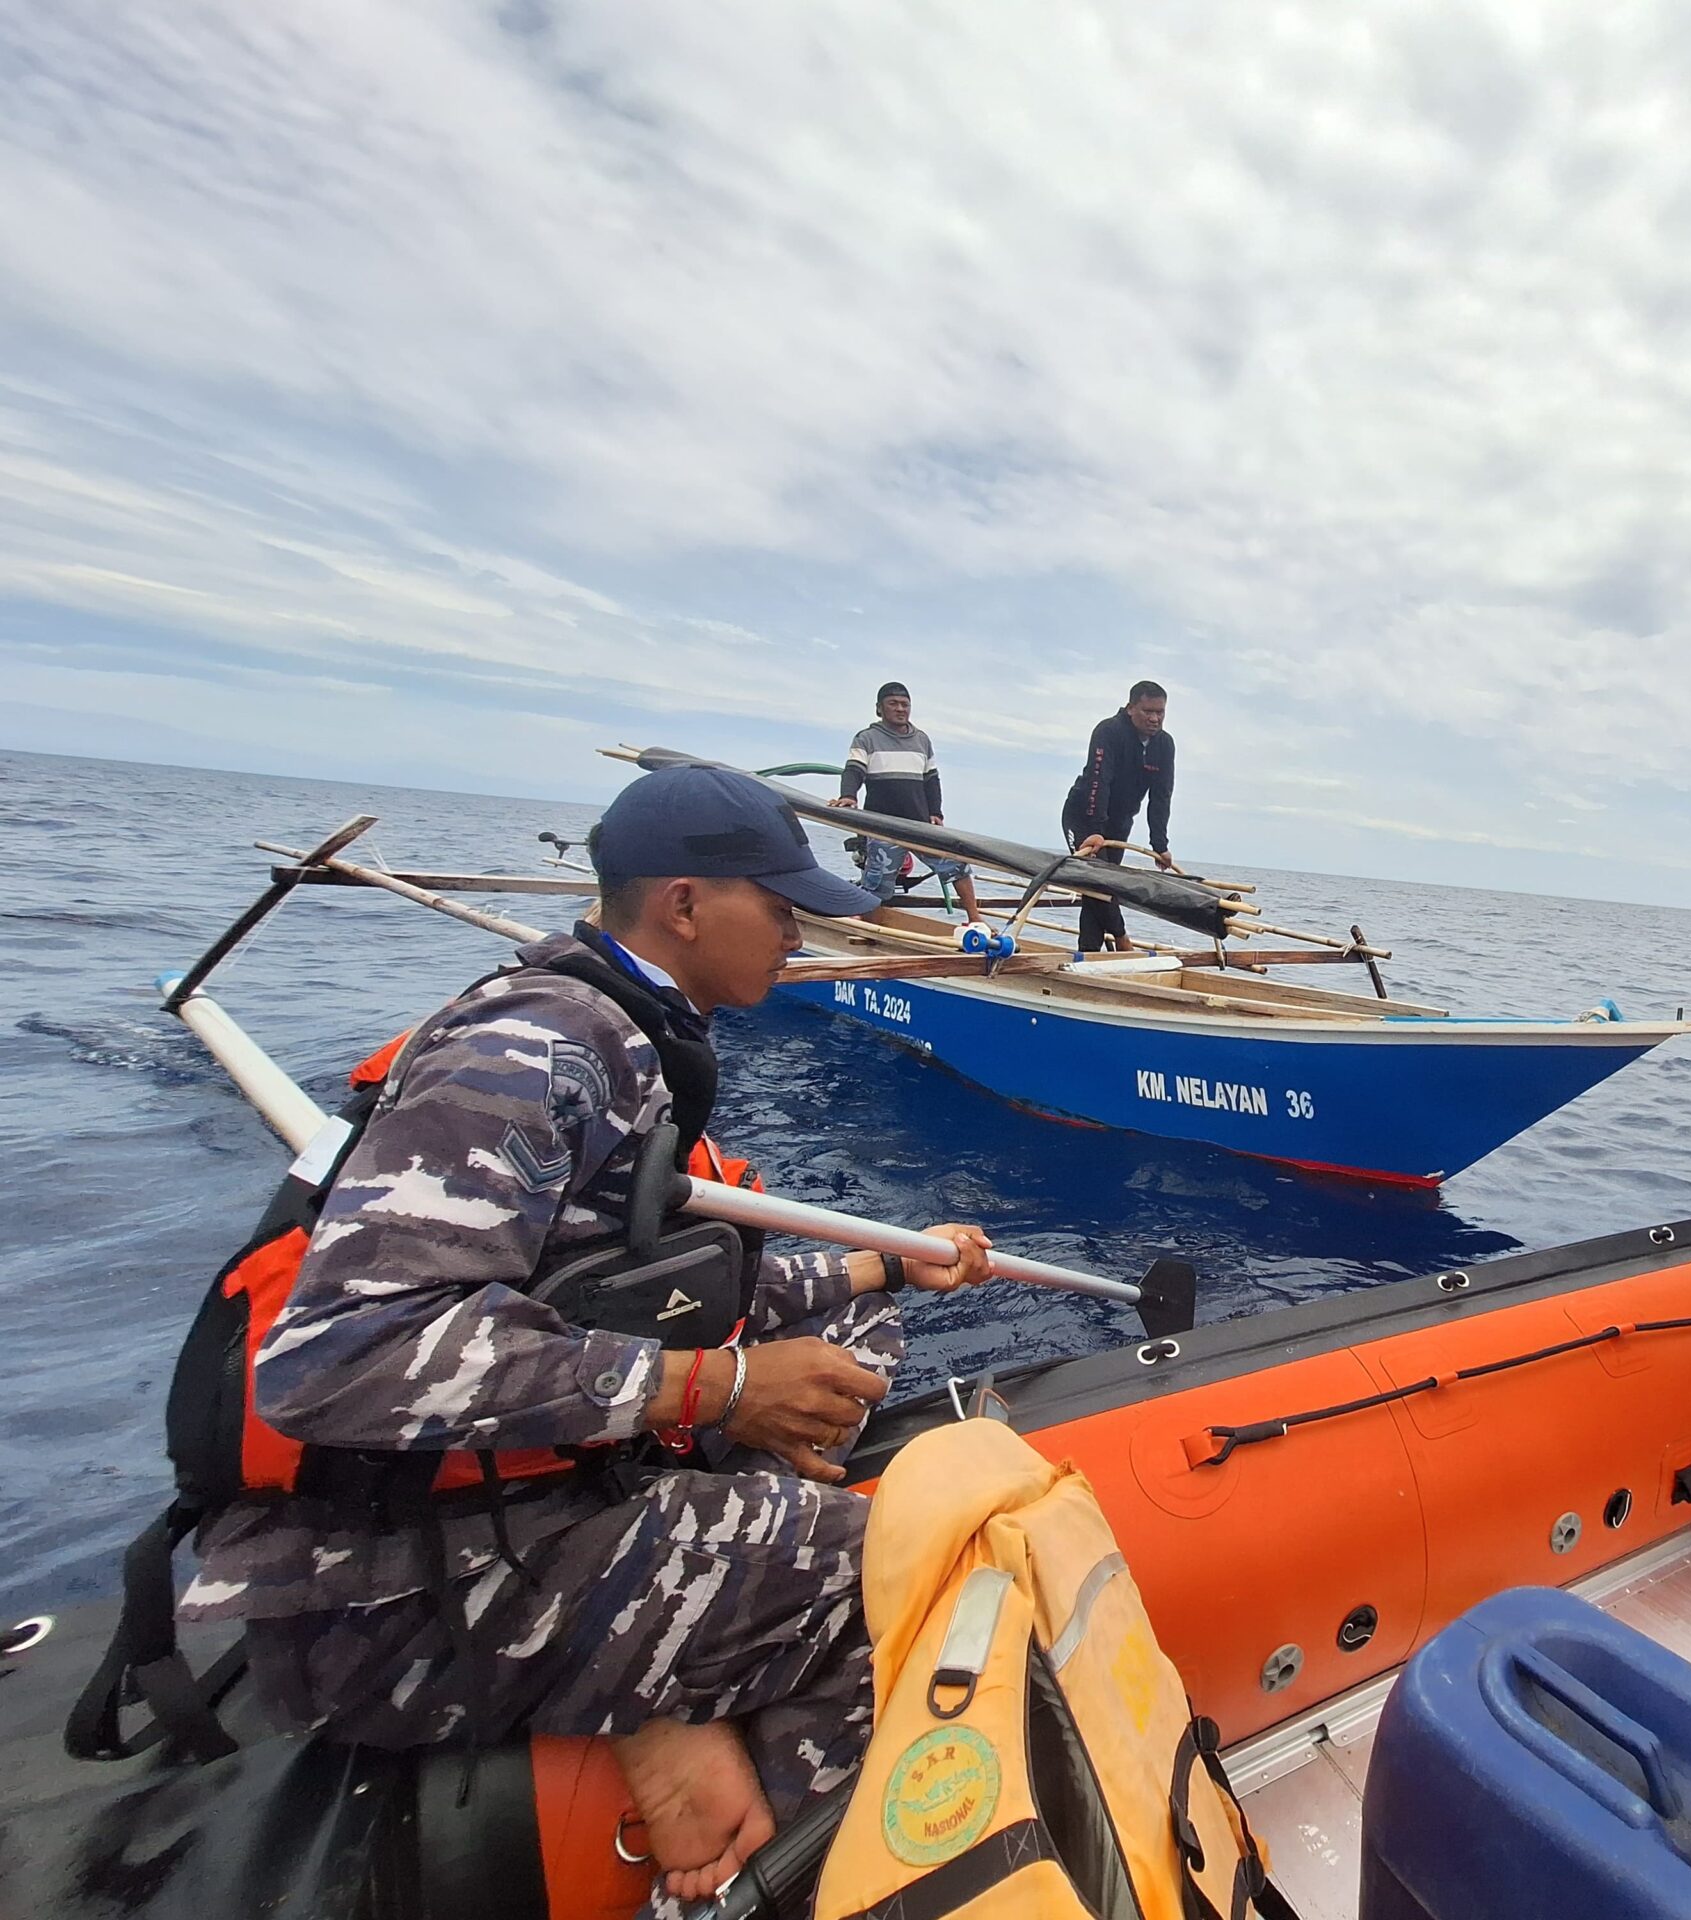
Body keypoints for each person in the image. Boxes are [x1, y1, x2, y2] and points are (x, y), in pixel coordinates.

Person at [179, 764, 997, 1912]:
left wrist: (878, 1264)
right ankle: (728, 1875)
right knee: (929, 1570)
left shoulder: (619, 1033)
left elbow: (633, 1290)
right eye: (779, 906)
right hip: (389, 1595)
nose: (797, 933)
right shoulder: (533, 1052)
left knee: (859, 1317)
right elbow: (338, 1356)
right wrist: (720, 1390)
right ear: (683, 906)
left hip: (510, 1515)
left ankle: (674, 1670)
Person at [827, 680, 983, 921]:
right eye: (893, 704)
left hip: (919, 824)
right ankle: (863, 922)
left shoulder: (922, 740)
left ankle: (975, 918)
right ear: (879, 708)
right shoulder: (866, 738)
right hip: (883, 825)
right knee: (877, 882)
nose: (900, 709)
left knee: (957, 866)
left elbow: (931, 779)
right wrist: (848, 796)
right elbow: (854, 769)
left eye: (905, 704)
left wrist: (936, 812)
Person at [1060, 679, 1176, 952]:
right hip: (1084, 815)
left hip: (1120, 822)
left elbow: (1161, 796)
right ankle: (1124, 942)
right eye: (1148, 711)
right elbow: (1099, 782)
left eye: (1160, 712)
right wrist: (1094, 828)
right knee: (1098, 880)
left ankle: (1088, 954)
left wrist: (1160, 844)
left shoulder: (1165, 745)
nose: (1154, 718)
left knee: (1098, 890)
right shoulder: (1109, 731)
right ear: (1130, 708)